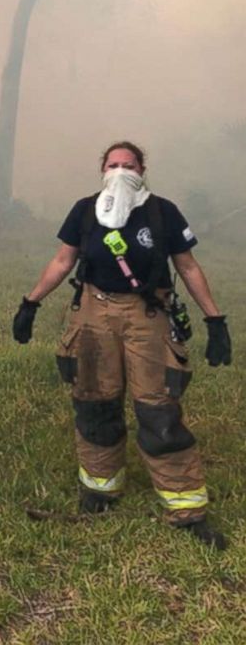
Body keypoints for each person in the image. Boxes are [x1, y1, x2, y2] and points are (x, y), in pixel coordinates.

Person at [12, 140, 232, 549]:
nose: (119, 171)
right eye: (112, 164)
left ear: (142, 169)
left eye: (127, 164)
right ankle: (100, 489)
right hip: (94, 315)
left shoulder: (162, 212)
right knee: (94, 401)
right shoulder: (85, 210)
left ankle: (186, 509)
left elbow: (187, 266)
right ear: (101, 170)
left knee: (159, 406)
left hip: (148, 317)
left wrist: (215, 319)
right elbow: (63, 260)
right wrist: (31, 302)